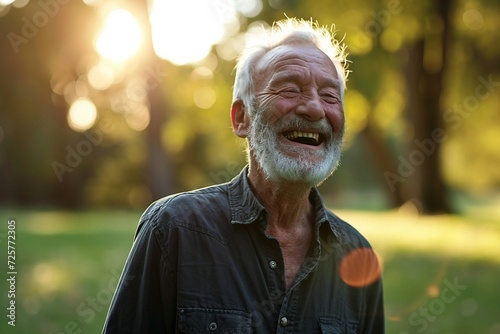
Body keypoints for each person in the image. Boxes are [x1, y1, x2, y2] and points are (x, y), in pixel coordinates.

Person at [102, 18, 384, 333]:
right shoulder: (174, 229)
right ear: (241, 118)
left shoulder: (359, 257)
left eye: (330, 97)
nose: (315, 109)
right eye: (290, 89)